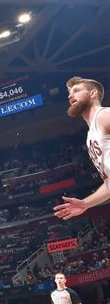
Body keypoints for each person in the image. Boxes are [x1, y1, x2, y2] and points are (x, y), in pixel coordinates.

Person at [54, 77, 109, 220]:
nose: (70, 95)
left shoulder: (103, 116)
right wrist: (85, 203)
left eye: (76, 91)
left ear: (93, 94)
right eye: (70, 93)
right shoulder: (91, 135)